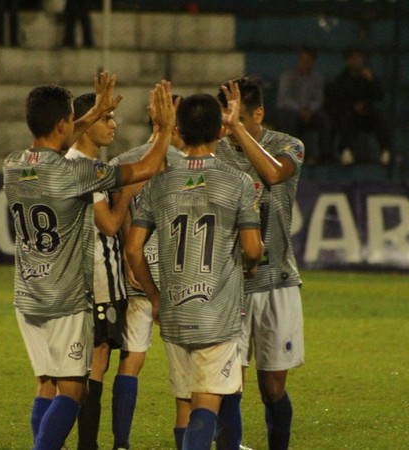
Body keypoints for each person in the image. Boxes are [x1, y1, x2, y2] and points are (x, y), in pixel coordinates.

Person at [2, 73, 176, 450]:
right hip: (65, 298)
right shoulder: (77, 173)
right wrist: (163, 129)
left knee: (47, 382)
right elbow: (143, 169)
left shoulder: (13, 163)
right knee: (73, 389)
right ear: (64, 123)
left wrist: (94, 111)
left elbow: (57, 138)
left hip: (27, 295)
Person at [125, 92, 264, 450]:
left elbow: (133, 248)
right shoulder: (238, 182)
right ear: (221, 131)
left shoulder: (159, 182)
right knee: (207, 404)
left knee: (185, 404)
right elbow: (252, 249)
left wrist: (154, 296)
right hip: (217, 312)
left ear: (180, 133)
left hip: (172, 313)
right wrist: (249, 264)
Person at [216, 77, 305, 450]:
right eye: (224, 118)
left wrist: (237, 128)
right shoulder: (216, 152)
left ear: (258, 114)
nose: (227, 126)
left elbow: (272, 174)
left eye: (236, 117)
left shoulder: (288, 145)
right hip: (230, 284)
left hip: (277, 281)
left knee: (272, 389)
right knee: (227, 384)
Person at [108, 103, 185, 450]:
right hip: (180, 278)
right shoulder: (187, 166)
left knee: (131, 359)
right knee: (189, 369)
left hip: (135, 273)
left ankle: (121, 443)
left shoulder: (123, 162)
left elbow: (114, 213)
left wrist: (127, 256)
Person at [64, 93, 132, 450]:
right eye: (106, 118)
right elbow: (107, 225)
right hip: (97, 281)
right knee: (95, 363)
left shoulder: (73, 163)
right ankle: (86, 445)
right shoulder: (84, 168)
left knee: (78, 367)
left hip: (85, 280)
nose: (113, 124)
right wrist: (128, 193)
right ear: (87, 122)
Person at [326, 47, 392, 166]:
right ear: (347, 61)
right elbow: (338, 100)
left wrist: (372, 80)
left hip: (368, 113)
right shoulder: (341, 79)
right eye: (353, 58)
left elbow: (379, 95)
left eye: (358, 58)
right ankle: (346, 151)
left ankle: (384, 151)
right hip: (350, 114)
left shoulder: (368, 76)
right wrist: (353, 107)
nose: (356, 61)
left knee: (381, 118)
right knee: (344, 119)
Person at [275, 46, 332, 164]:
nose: (305, 63)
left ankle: (324, 156)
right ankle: (293, 157)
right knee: (289, 119)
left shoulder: (317, 78)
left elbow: (318, 99)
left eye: (308, 60)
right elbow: (285, 99)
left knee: (323, 120)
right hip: (291, 111)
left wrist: (310, 110)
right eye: (303, 60)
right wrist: (299, 110)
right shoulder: (288, 76)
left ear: (313, 62)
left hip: (310, 112)